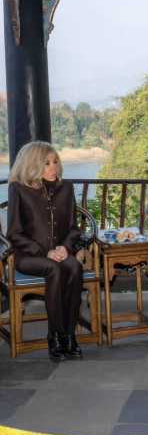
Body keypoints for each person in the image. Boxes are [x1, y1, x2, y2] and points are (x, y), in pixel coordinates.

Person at [7, 141, 84, 362]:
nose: (53, 167)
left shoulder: (66, 187)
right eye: (47, 163)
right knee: (53, 268)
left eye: (55, 161)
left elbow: (73, 228)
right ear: (32, 165)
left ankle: (69, 334)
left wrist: (65, 247)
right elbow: (14, 233)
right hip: (28, 256)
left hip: (59, 253)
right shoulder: (18, 188)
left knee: (74, 266)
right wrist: (44, 252)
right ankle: (55, 335)